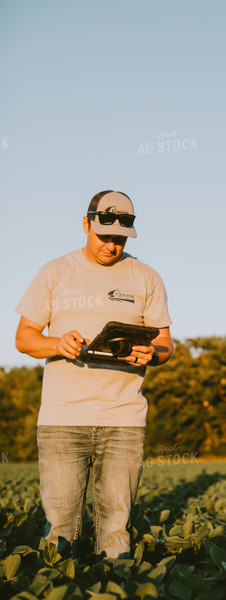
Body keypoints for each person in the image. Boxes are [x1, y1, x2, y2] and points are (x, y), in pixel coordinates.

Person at [15, 190, 173, 559]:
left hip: (124, 419)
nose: (112, 245)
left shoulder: (146, 276)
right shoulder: (54, 271)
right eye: (104, 236)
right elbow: (24, 338)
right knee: (60, 532)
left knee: (116, 532)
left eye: (120, 239)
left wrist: (154, 354)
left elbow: (165, 342)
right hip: (62, 419)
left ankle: (114, 584)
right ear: (86, 225)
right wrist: (56, 344)